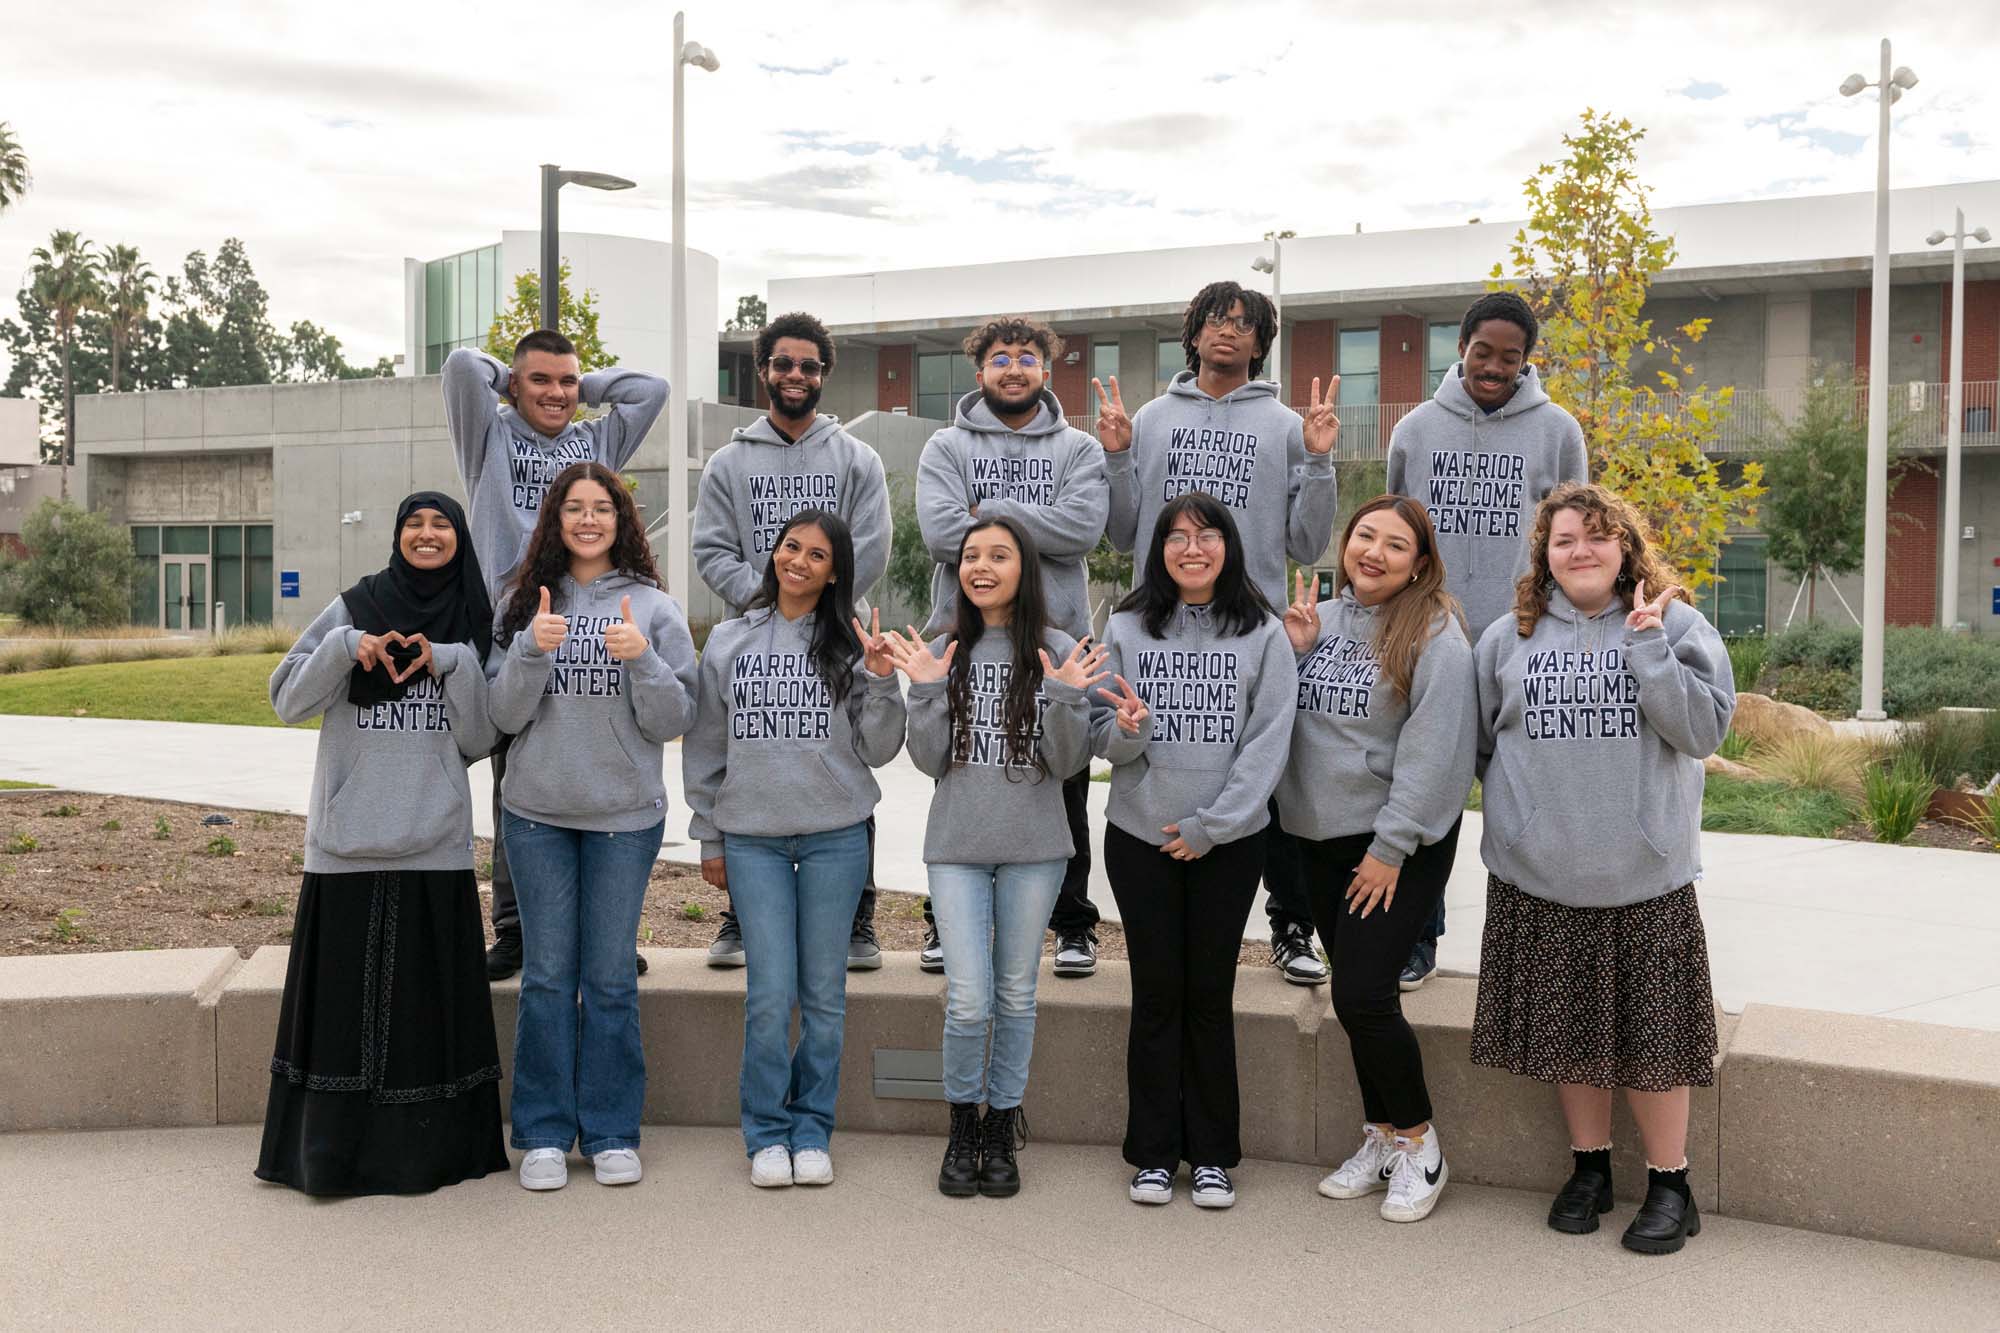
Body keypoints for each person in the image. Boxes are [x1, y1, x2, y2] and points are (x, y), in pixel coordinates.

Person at [1470, 481, 1733, 1255]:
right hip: (1543, 875)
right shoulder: (1507, 637)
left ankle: (1669, 1183)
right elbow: (1483, 745)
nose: (1580, 549)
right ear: (1544, 557)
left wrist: (1649, 647)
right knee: (1570, 1036)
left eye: (1596, 535)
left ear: (1625, 545)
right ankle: (1589, 1169)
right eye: (1563, 540)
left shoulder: (1677, 622)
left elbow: (1700, 728)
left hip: (1643, 876)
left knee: (1654, 1041)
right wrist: (1520, 821)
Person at [258, 491, 507, 1195]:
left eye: (442, 526)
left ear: (459, 540)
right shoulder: (350, 607)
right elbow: (286, 701)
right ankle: (330, 1158)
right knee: (341, 1015)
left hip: (433, 843)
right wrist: (343, 649)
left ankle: (427, 1157)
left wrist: (453, 662)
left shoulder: (472, 624)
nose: (427, 535)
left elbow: (481, 738)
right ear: (396, 536)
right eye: (414, 524)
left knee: (427, 1017)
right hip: (347, 844)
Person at [1096, 281, 1338, 988]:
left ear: (1261, 342)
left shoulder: (1288, 425)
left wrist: (1319, 460)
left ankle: (1291, 925)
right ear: (1193, 334)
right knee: (1160, 752)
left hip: (1252, 628)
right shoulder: (1151, 417)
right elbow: (1120, 533)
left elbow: (1307, 538)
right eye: (1215, 320)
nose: (1228, 332)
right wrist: (1115, 456)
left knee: (1270, 773)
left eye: (1243, 324)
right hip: (1164, 625)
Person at [488, 462, 698, 1192]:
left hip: (623, 818)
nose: (587, 519)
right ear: (556, 518)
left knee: (608, 977)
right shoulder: (523, 601)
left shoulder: (654, 608)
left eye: (600, 508)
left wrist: (643, 662)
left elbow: (675, 718)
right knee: (547, 975)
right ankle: (543, 1131)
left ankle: (611, 1129)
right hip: (538, 814)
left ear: (620, 519)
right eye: (573, 507)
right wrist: (529, 650)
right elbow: (502, 718)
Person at [884, 517, 1109, 1199]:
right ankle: (962, 1124)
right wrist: (924, 689)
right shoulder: (946, 648)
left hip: (1036, 850)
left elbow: (1069, 763)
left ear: (1025, 567)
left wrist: (1067, 695)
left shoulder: (1060, 649)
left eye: (999, 555)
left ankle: (1001, 1125)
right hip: (955, 846)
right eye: (970, 556)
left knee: (1015, 996)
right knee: (968, 1000)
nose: (981, 566)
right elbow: (927, 760)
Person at [682, 509, 905, 1189]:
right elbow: (706, 745)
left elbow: (880, 747)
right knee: (770, 994)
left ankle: (812, 1128)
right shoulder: (727, 639)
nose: (799, 560)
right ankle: (766, 1133)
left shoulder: (849, 643)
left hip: (837, 835)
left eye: (816, 554)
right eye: (790, 547)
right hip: (754, 841)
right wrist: (709, 832)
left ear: (836, 569)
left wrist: (882, 678)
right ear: (773, 554)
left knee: (824, 994)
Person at [442, 331, 670, 982]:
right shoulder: (487, 434)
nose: (557, 393)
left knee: (601, 775)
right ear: (512, 384)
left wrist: (583, 385)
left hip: (591, 621)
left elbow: (653, 391)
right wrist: (512, 382)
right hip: (517, 630)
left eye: (567, 382)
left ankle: (606, 935)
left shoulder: (595, 442)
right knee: (513, 781)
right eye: (539, 380)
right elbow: (461, 366)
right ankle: (515, 929)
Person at [1275, 496, 1476, 1225]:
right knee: (1355, 997)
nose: (1375, 552)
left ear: (1419, 562)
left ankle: (1420, 1143)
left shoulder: (1436, 633)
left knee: (1363, 994)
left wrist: (1390, 848)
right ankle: (1383, 1135)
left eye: (1396, 545)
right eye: (1365, 536)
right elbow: (1282, 720)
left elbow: (1438, 755)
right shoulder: (1318, 621)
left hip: (1397, 841)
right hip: (1318, 834)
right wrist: (1292, 656)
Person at [1094, 493, 1294, 1209]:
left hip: (1229, 844)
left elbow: (1268, 742)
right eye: (1177, 537)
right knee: (1155, 995)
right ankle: (1152, 1153)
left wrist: (1212, 825)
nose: (1192, 548)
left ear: (1228, 547)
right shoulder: (1123, 626)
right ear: (1159, 549)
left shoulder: (1264, 633)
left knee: (1209, 995)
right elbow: (1103, 736)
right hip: (1140, 836)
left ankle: (1210, 1154)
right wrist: (1129, 728)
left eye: (1207, 536)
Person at [1384, 290, 1588, 990]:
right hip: (1429, 637)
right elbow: (1394, 529)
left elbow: (1573, 540)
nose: (1494, 366)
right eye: (1482, 352)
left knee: (1522, 797)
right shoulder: (1414, 429)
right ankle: (1418, 934)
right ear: (1461, 348)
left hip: (1520, 641)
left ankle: (1530, 950)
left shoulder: (1557, 431)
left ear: (1527, 360)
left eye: (1511, 356)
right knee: (1425, 791)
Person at [692, 312, 893, 973]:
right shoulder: (729, 462)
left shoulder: (856, 459)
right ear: (765, 370)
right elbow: (711, 548)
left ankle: (857, 915)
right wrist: (772, 597)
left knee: (841, 763)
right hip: (756, 635)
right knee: (753, 757)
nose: (796, 375)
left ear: (823, 374)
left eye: (809, 365)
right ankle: (740, 916)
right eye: (784, 363)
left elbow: (872, 545)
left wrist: (816, 596)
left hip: (836, 633)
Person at [916, 316, 1108, 978]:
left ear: (1046, 371)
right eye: (1001, 358)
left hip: (1056, 639)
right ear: (981, 373)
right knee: (960, 767)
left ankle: (1074, 923)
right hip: (964, 636)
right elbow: (942, 534)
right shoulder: (945, 445)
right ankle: (944, 922)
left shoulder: (1079, 448)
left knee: (1066, 778)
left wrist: (987, 512)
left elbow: (1083, 528)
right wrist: (1027, 522)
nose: (1014, 368)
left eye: (1027, 357)